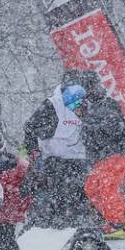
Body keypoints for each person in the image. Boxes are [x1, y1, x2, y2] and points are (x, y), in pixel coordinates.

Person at [23, 79, 94, 229]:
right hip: (53, 155)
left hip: (77, 155)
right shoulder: (51, 105)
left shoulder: (86, 109)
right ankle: (56, 218)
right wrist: (33, 149)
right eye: (73, 105)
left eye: (78, 106)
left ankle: (79, 218)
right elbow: (30, 127)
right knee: (57, 187)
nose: (75, 109)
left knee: (81, 187)